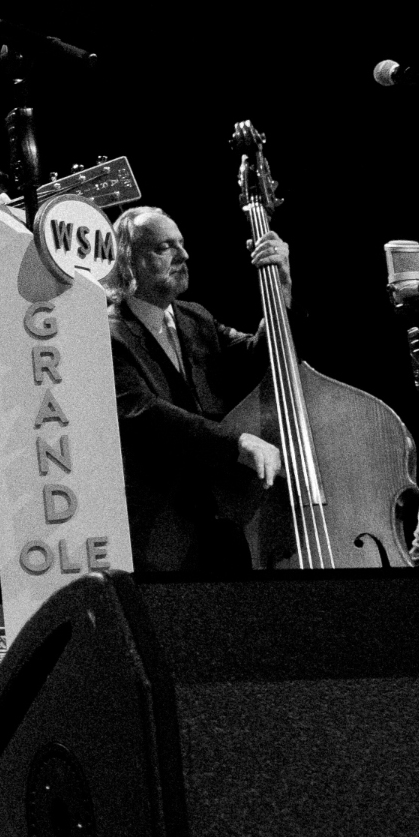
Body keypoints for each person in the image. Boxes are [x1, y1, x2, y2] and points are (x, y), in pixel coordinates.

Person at [105, 205, 290, 572]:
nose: (183, 255)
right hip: (160, 533)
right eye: (164, 247)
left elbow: (257, 356)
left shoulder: (196, 318)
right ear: (129, 260)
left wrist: (280, 292)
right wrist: (237, 442)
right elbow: (142, 412)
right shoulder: (107, 331)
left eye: (182, 244)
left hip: (226, 519)